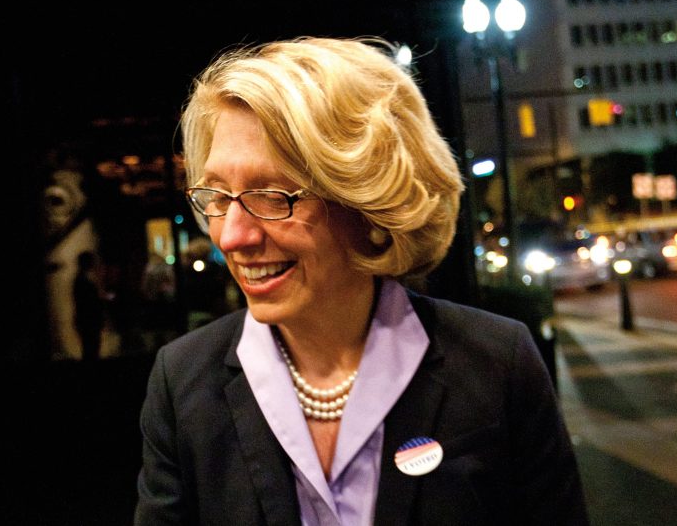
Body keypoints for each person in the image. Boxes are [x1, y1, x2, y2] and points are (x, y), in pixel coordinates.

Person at [135, 37, 589, 525]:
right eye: (218, 195)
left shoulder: (498, 365)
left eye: (273, 195)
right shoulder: (183, 382)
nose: (232, 235)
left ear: (369, 204)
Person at [73, 250, 105, 361]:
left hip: (87, 321)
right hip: (89, 321)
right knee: (91, 349)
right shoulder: (83, 281)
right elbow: (90, 303)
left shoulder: (81, 279)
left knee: (90, 349)